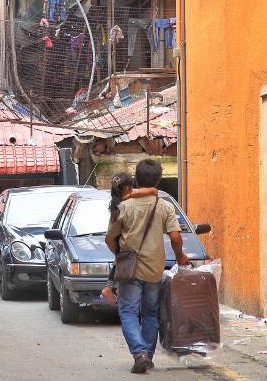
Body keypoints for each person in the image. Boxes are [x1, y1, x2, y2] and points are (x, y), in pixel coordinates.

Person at [106, 159, 190, 374]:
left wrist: (119, 255)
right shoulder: (164, 206)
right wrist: (180, 256)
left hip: (130, 269)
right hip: (154, 268)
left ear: (135, 179)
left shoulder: (123, 206)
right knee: (151, 313)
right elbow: (175, 237)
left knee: (128, 312)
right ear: (159, 180)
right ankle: (148, 356)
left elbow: (110, 239)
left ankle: (140, 354)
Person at [100, 172, 135, 304]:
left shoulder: (116, 205)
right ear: (127, 188)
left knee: (119, 263)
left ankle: (110, 288)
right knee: (121, 264)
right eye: (132, 187)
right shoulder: (127, 206)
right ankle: (110, 288)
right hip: (125, 244)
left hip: (119, 243)